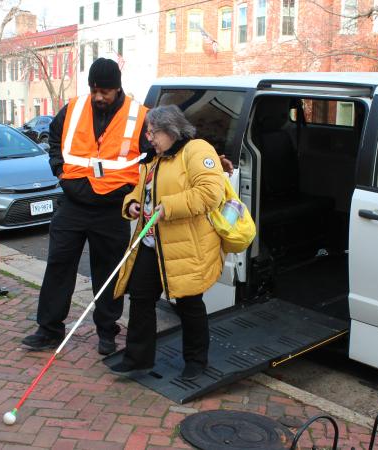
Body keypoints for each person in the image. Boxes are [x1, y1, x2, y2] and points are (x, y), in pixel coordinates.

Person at [21, 58, 150, 354]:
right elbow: (54, 138)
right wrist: (59, 169)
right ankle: (49, 329)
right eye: (94, 89)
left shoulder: (139, 115)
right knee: (58, 266)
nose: (98, 97)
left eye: (105, 91)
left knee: (108, 273)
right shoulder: (74, 108)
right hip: (73, 203)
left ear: (118, 88)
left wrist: (132, 191)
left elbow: (152, 154)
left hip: (112, 208)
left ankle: (107, 331)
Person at [110, 105, 226, 381]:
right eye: (148, 132)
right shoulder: (154, 159)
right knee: (140, 298)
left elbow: (210, 193)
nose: (149, 137)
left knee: (188, 303)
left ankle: (196, 361)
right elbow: (138, 191)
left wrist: (167, 207)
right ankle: (137, 359)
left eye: (153, 132)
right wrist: (133, 204)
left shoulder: (197, 150)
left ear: (171, 130)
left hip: (185, 246)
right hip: (151, 244)